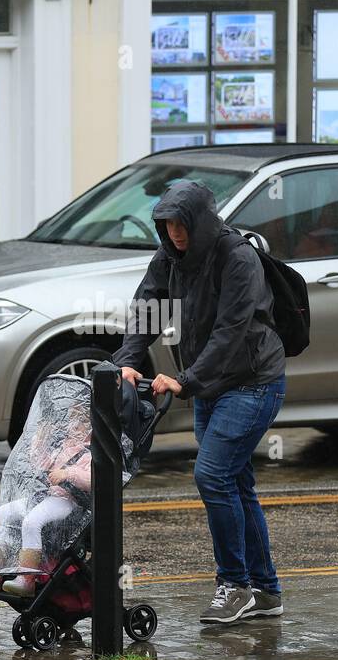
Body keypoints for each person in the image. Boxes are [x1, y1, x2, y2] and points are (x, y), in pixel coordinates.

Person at [112, 180, 286, 624]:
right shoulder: (171, 258)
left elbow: (230, 333)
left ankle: (234, 584)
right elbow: (147, 304)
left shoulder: (238, 258)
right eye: (167, 225)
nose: (175, 233)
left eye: (182, 224)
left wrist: (186, 381)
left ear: (202, 221)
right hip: (211, 387)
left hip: (253, 383)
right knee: (235, 483)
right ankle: (266, 591)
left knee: (212, 476)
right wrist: (129, 360)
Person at [0, 405, 93, 596]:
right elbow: (39, 463)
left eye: (80, 422)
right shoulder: (63, 446)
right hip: (46, 496)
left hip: (68, 501)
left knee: (32, 521)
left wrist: (68, 473)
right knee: (2, 514)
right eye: (71, 420)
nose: (73, 425)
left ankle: (27, 579)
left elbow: (92, 479)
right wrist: (41, 438)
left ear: (90, 427)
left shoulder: (89, 453)